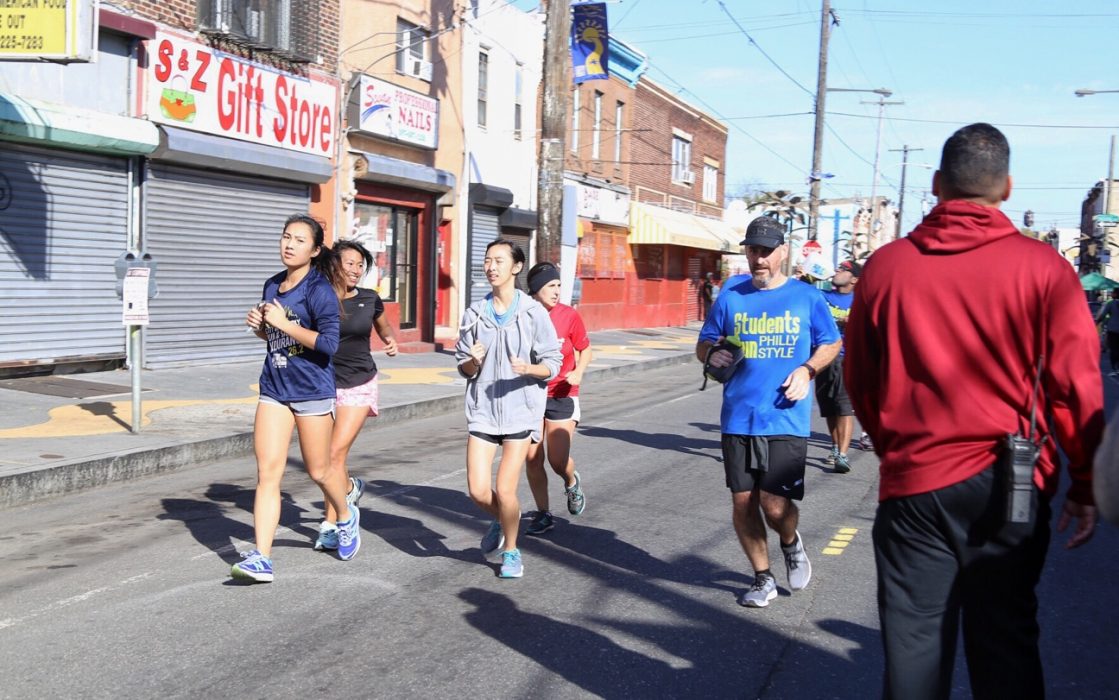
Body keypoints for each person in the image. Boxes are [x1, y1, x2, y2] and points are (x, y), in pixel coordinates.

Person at [844, 123, 1104, 699]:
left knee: (913, 649)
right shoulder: (1044, 270)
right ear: (1007, 188)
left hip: (916, 483)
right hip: (1010, 483)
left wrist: (898, 449)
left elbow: (859, 378)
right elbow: (1075, 388)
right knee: (1005, 642)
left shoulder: (886, 268)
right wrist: (1085, 483)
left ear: (937, 184)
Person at [696, 216, 841, 608]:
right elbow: (704, 343)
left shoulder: (807, 298)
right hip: (738, 417)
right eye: (752, 250)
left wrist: (807, 369)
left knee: (774, 504)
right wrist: (713, 353)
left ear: (782, 252)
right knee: (743, 501)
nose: (758, 259)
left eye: (765, 251)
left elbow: (831, 343)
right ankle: (763, 578)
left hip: (786, 416)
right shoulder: (731, 295)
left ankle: (790, 542)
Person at [233, 214, 360, 583]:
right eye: (286, 237)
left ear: (315, 249)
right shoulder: (272, 284)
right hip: (274, 386)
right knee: (267, 474)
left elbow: (329, 344)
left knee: (320, 470)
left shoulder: (319, 290)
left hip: (311, 391)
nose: (289, 244)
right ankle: (262, 558)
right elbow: (276, 339)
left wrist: (286, 324)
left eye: (300, 240)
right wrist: (261, 328)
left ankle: (346, 514)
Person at [455, 240, 562, 578]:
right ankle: (503, 520)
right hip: (484, 410)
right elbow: (463, 368)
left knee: (505, 489)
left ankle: (512, 551)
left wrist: (528, 369)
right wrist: (473, 361)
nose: (491, 266)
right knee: (476, 490)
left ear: (516, 267)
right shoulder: (474, 314)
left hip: (520, 410)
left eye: (499, 261)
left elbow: (553, 363)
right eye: (487, 260)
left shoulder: (533, 313)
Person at [312, 240, 399, 552]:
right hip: (323, 384)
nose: (355, 269)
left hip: (359, 382)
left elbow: (384, 327)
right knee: (333, 459)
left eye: (360, 264)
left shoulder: (369, 298)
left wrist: (390, 342)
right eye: (349, 263)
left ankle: (331, 523)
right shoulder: (319, 298)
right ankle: (349, 488)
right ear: (335, 264)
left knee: (332, 455)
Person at [523, 262, 591, 536]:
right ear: (536, 290)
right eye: (551, 286)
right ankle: (543, 513)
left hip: (562, 394)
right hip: (531, 395)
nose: (557, 291)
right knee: (531, 458)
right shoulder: (523, 315)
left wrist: (578, 371)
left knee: (558, 460)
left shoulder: (569, 315)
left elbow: (585, 349)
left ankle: (571, 481)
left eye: (559, 285)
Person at [816, 260, 861, 474]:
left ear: (854, 279)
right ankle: (835, 447)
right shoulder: (823, 296)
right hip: (823, 358)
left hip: (848, 359)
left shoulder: (862, 301)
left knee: (844, 406)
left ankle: (843, 455)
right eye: (838, 268)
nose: (838, 271)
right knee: (829, 407)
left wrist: (853, 321)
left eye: (844, 270)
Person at [1095, 288, 1119, 377]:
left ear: (1116, 294)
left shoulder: (1111, 304)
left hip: (1113, 329)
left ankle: (1114, 368)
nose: (1111, 294)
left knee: (1113, 349)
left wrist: (1097, 322)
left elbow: (1103, 315)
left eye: (1113, 293)